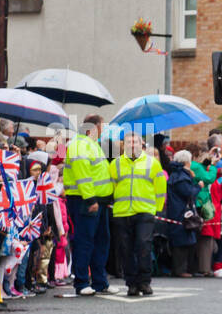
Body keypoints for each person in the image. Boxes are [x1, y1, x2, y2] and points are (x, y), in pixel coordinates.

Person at [109, 132, 167, 297]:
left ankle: (144, 281)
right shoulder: (116, 164)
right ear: (124, 145)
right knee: (126, 250)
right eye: (128, 142)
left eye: (135, 142)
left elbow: (160, 187)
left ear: (142, 145)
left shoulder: (152, 163)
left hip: (145, 211)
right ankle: (131, 284)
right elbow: (112, 186)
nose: (131, 144)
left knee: (143, 246)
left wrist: (157, 209)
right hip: (122, 211)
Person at [62, 115, 113, 296]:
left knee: (100, 241)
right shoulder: (80, 144)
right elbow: (83, 174)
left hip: (96, 201)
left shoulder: (90, 144)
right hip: (86, 201)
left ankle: (100, 282)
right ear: (94, 127)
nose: (102, 132)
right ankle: (82, 282)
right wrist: (91, 199)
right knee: (85, 241)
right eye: (101, 128)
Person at [164, 151, 200, 276]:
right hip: (180, 213)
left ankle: (184, 269)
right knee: (181, 241)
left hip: (177, 211)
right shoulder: (181, 177)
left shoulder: (177, 174)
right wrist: (198, 186)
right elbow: (188, 193)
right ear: (187, 162)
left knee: (184, 240)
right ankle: (180, 270)